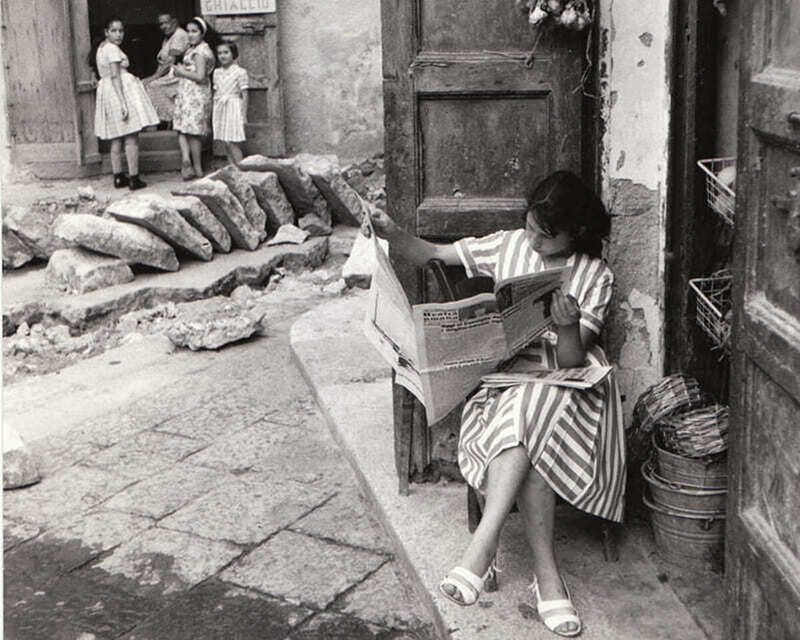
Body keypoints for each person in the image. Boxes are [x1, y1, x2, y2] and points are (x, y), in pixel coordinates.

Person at [368, 170, 625, 638]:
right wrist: (392, 232)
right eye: (529, 227)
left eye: (546, 237)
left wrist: (567, 326)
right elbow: (432, 253)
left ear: (577, 233)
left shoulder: (595, 276)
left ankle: (481, 551)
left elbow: (570, 361)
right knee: (524, 411)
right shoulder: (508, 244)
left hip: (571, 390)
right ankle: (548, 577)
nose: (533, 240)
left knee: (532, 408)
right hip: (507, 379)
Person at [92, 16, 159, 190]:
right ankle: (134, 178)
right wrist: (123, 103)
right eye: (113, 31)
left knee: (116, 138)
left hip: (108, 91)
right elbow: (115, 76)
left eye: (121, 30)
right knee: (131, 137)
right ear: (106, 32)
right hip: (118, 92)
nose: (118, 34)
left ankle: (118, 176)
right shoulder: (112, 49)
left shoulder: (102, 48)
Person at [172, 16, 215, 179]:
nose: (190, 35)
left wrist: (181, 72)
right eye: (188, 31)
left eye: (194, 32)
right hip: (187, 92)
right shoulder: (192, 49)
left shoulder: (200, 52)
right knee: (182, 127)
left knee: (193, 131)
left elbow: (200, 76)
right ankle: (186, 161)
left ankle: (197, 167)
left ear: (202, 33)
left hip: (196, 93)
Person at [143, 12, 189, 127]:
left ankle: (173, 117)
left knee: (152, 86)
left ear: (174, 22)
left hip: (178, 75)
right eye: (161, 24)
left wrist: (153, 77)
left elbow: (170, 62)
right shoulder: (168, 38)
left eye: (166, 23)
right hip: (168, 75)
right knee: (145, 84)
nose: (163, 26)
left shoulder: (179, 35)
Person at [212, 42, 249, 165]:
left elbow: (245, 95)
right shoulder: (217, 72)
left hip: (234, 106)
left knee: (232, 140)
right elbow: (216, 91)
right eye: (220, 53)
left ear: (233, 54)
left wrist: (243, 115)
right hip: (221, 107)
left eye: (226, 52)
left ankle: (241, 169)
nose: (222, 56)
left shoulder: (240, 72)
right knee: (225, 141)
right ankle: (232, 169)